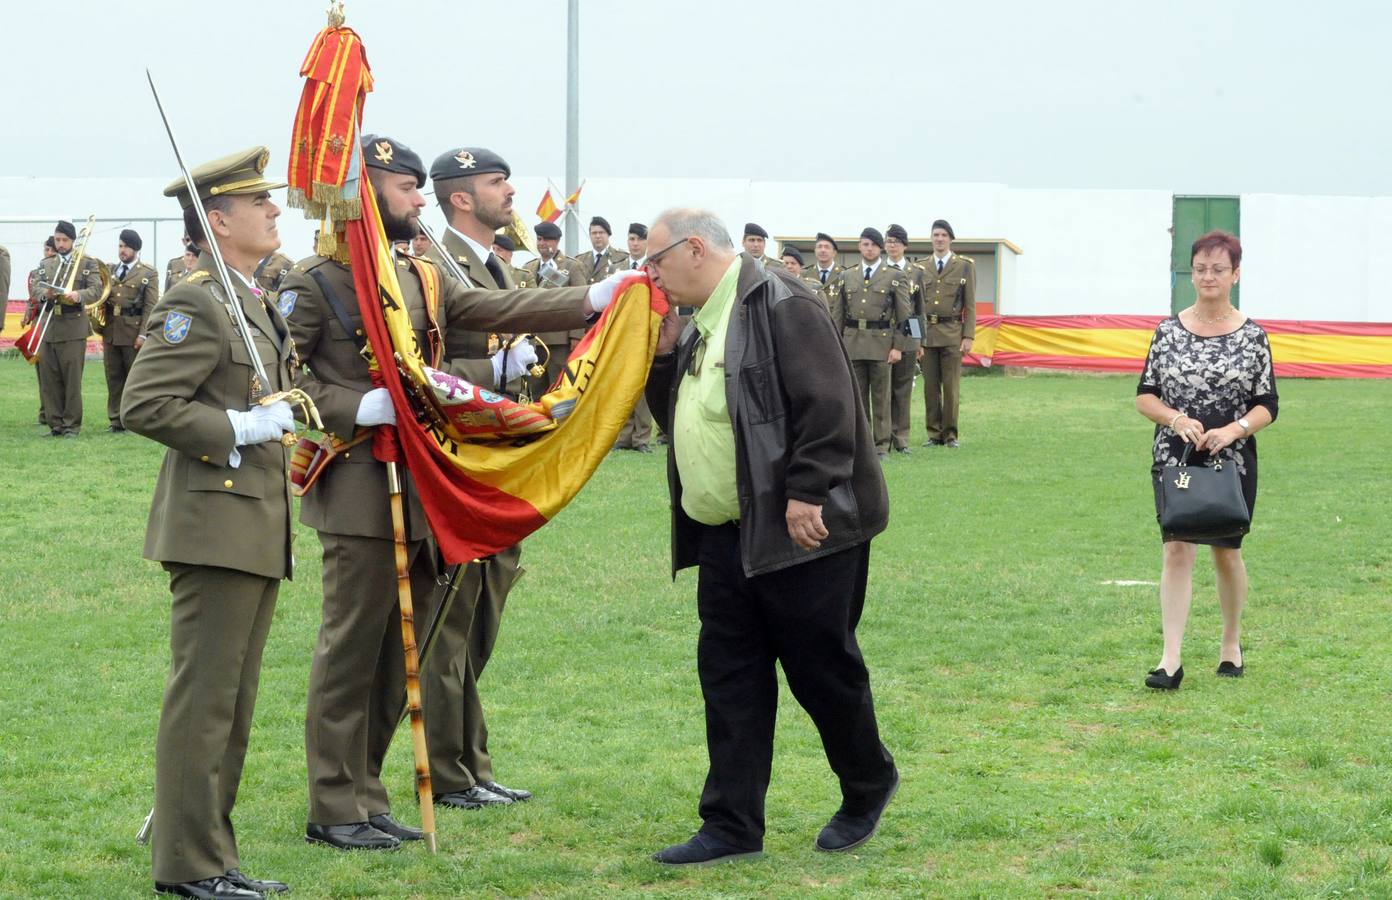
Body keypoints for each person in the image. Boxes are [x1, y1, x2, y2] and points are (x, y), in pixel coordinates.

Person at [280, 134, 613, 850]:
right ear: (365, 194)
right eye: (405, 189)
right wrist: (349, 407)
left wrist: (591, 296)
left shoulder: (418, 270)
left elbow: (487, 310)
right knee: (351, 651)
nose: (419, 198)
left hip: (425, 479)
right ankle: (332, 803)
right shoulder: (315, 281)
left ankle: (364, 793)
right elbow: (280, 375)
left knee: (396, 657)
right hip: (359, 485)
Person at [643, 208, 898, 866]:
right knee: (730, 677)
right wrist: (665, 353)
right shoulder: (700, 318)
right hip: (726, 534)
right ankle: (731, 823)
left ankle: (868, 784)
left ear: (693, 249)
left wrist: (807, 491)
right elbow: (678, 409)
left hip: (800, 529)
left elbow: (830, 403)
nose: (652, 274)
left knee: (821, 670)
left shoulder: (783, 302)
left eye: (657, 260)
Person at [122, 145, 297, 900]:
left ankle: (213, 856)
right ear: (218, 220)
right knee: (205, 704)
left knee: (232, 705)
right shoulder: (196, 299)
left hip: (254, 525)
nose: (274, 210)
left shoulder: (248, 297)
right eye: (259, 203)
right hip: (214, 525)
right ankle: (188, 867)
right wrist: (237, 428)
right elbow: (145, 404)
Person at [420, 145, 537, 811]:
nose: (510, 191)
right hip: (460, 464)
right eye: (498, 182)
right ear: (461, 196)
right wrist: (491, 374)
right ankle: (450, 770)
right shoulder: (439, 262)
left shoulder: (491, 262)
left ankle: (472, 761)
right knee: (452, 622)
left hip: (500, 460)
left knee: (482, 617)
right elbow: (430, 361)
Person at [1135, 230, 1278, 690]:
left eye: (1219, 268)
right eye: (1201, 268)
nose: (1208, 276)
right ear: (1190, 273)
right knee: (1176, 550)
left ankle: (1230, 643)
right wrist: (1176, 420)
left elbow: (1267, 405)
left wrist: (1235, 429)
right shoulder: (1167, 331)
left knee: (1226, 552)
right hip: (1174, 458)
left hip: (1231, 462)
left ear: (1235, 274)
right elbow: (1145, 397)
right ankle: (1170, 659)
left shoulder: (1254, 336)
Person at [826, 227, 913, 458]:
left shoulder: (895, 276)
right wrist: (836, 343)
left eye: (874, 244)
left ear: (880, 247)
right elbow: (838, 314)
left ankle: (881, 444)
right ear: (859, 246)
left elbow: (906, 316)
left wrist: (898, 346)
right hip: (852, 343)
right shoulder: (847, 275)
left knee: (881, 397)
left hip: (882, 343)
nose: (869, 248)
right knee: (857, 397)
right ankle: (862, 444)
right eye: (865, 244)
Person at [29, 219, 104, 438]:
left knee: (71, 379)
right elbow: (36, 286)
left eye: (64, 240)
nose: (60, 244)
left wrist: (78, 295)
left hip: (73, 328)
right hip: (50, 326)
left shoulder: (86, 263)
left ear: (72, 241)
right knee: (49, 379)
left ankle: (71, 425)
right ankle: (55, 424)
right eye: (57, 239)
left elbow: (96, 289)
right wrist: (46, 294)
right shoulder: (47, 263)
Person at [920, 219, 975, 448]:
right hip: (928, 335)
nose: (939, 239)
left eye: (943, 235)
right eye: (936, 235)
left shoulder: (964, 265)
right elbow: (916, 305)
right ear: (931, 238)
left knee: (951, 388)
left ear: (950, 239)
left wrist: (968, 336)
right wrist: (916, 339)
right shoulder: (921, 267)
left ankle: (950, 434)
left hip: (953, 333)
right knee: (930, 388)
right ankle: (934, 434)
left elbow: (970, 304)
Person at [521, 220, 587, 393]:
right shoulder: (528, 268)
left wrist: (576, 337)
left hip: (560, 341)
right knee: (535, 390)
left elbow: (581, 302)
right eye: (539, 239)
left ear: (557, 241)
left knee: (559, 388)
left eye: (547, 240)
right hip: (533, 341)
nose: (542, 243)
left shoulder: (571, 267)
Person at [102, 229, 159, 432]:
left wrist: (144, 334)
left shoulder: (148, 273)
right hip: (111, 331)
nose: (122, 250)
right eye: (120, 246)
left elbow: (150, 306)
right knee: (114, 377)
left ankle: (134, 419)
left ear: (135, 248)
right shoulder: (110, 270)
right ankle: (116, 420)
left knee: (134, 379)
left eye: (125, 246)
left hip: (133, 332)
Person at [884, 224, 926, 454]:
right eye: (889, 241)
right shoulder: (879, 270)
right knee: (882, 391)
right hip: (881, 338)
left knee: (902, 391)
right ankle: (882, 439)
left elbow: (918, 310)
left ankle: (901, 439)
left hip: (908, 338)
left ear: (905, 246)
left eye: (896, 242)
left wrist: (919, 341)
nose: (892, 246)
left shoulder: (916, 272)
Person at [613, 221, 655, 451]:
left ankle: (642, 438)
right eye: (632, 239)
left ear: (646, 242)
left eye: (639, 239)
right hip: (622, 333)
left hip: (645, 331)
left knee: (643, 388)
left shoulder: (654, 267)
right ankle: (624, 436)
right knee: (623, 383)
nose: (635, 243)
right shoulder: (618, 266)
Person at [580, 215, 630, 283]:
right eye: (594, 233)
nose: (598, 236)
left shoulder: (622, 258)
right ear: (590, 235)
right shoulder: (580, 260)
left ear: (608, 234)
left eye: (601, 233)